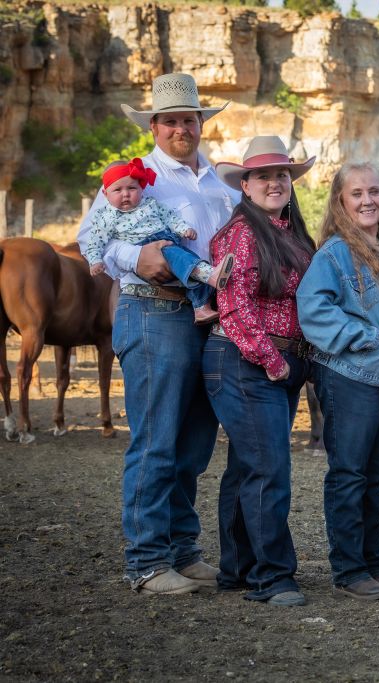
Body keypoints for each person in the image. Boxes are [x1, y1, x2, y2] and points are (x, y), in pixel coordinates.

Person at [77, 72, 239, 595]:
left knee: (193, 442)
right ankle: (146, 562)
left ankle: (181, 548)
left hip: (207, 316)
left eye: (188, 119)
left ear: (199, 124)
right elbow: (93, 240)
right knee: (155, 440)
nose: (180, 128)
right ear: (154, 125)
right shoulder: (133, 178)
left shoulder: (217, 182)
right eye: (169, 121)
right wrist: (137, 257)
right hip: (152, 312)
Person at [296, 162, 379, 601]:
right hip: (350, 375)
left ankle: (374, 564)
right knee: (349, 473)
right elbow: (311, 308)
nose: (368, 200)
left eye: (374, 192)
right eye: (357, 194)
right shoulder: (333, 253)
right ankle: (350, 571)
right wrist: (364, 335)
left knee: (376, 475)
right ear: (341, 202)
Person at [205, 136, 316, 606]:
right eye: (264, 176)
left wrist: (296, 363)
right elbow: (234, 306)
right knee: (270, 466)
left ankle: (237, 568)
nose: (275, 182)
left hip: (278, 361)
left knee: (248, 465)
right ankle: (274, 576)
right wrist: (272, 363)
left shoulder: (290, 232)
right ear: (245, 185)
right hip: (244, 359)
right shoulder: (241, 234)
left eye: (282, 175)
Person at [85, 158, 234, 324]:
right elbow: (94, 241)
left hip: (168, 238)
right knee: (187, 262)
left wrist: (183, 229)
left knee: (190, 262)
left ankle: (200, 307)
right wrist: (95, 260)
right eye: (117, 190)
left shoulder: (150, 203)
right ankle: (211, 274)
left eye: (132, 188)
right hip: (149, 246)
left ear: (141, 189)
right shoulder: (105, 217)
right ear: (105, 194)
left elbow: (169, 217)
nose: (125, 194)